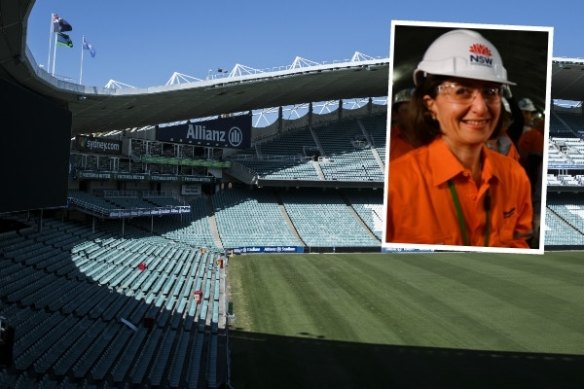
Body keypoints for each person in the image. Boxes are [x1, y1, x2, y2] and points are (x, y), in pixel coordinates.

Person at [385, 29, 533, 248]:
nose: (481, 108)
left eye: (491, 92)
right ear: (430, 104)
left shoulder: (514, 175)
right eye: (462, 91)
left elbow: (520, 245)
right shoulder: (397, 183)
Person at [389, 88, 417, 160]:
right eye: (405, 110)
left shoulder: (436, 136)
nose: (412, 114)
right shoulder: (390, 141)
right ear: (395, 115)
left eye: (416, 110)